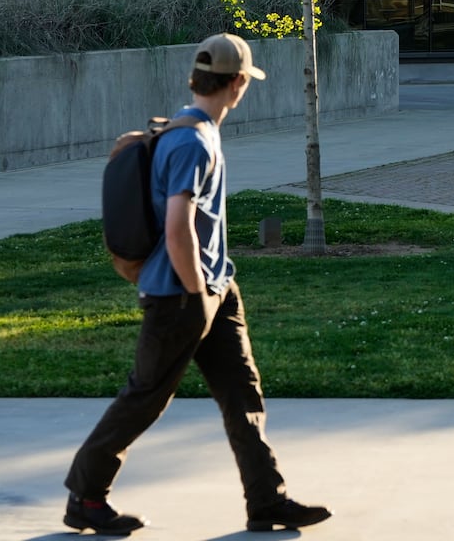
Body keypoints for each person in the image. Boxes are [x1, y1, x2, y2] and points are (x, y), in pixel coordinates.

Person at [64, 33, 330, 536]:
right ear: (235, 84)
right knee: (146, 396)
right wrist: (195, 292)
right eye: (245, 81)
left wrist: (214, 289)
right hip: (181, 295)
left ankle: (266, 501)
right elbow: (177, 226)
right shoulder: (191, 140)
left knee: (242, 392)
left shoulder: (195, 130)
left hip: (215, 289)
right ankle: (86, 496)